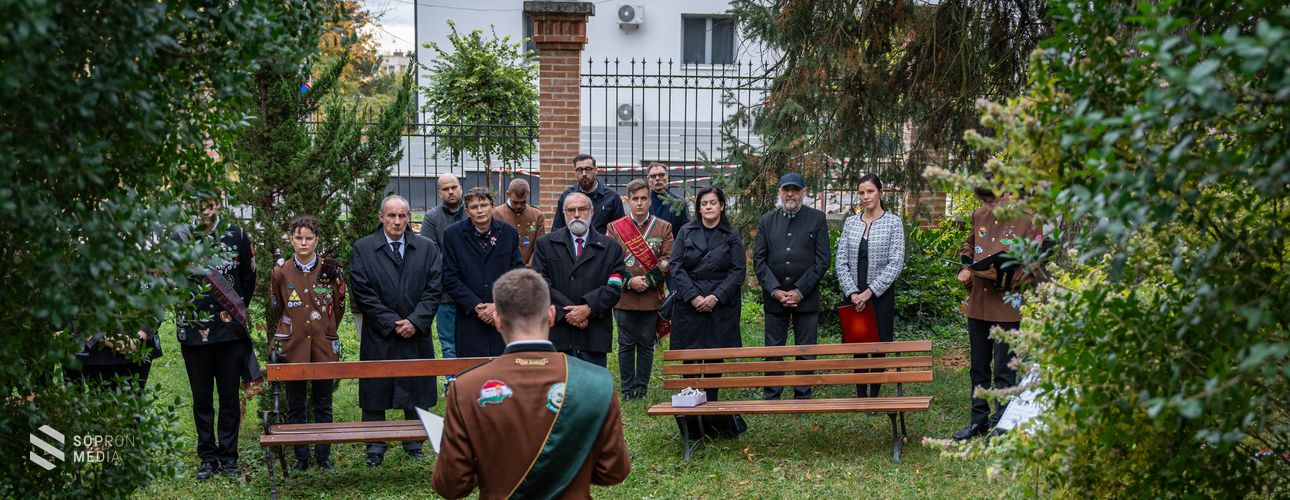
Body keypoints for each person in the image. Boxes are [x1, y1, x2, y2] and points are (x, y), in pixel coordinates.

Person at [431, 268, 631, 498]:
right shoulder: (596, 382)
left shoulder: (466, 388)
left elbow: (452, 484)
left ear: (497, 320)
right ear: (551, 315)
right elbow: (613, 471)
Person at [348, 194, 443, 466]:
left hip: (417, 332)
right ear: (381, 218)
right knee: (376, 388)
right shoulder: (364, 249)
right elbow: (362, 291)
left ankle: (414, 442)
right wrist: (391, 322)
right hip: (380, 334)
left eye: (402, 215)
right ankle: (375, 446)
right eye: (391, 215)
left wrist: (415, 321)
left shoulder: (426, 248)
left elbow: (434, 289)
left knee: (416, 385)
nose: (397, 221)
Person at [174, 197, 256, 480]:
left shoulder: (237, 235)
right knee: (202, 399)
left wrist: (232, 312)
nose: (203, 210)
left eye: (208, 203)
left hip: (229, 331)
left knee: (229, 397)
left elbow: (247, 279)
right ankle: (207, 457)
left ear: (218, 205)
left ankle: (229, 456)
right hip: (194, 330)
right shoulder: (180, 237)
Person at [952, 184, 1040, 441]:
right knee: (978, 366)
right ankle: (978, 420)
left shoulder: (1029, 220)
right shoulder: (979, 215)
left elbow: (1031, 267)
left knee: (1004, 370)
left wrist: (1000, 276)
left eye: (993, 198)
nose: (989, 205)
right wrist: (967, 267)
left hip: (1007, 307)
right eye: (985, 199)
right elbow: (968, 246)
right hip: (978, 304)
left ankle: (1001, 424)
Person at [266, 215, 347, 472]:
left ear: (316, 240)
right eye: (298, 238)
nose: (303, 242)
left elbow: (339, 305)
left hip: (323, 344)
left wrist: (327, 328)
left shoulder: (330, 270)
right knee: (297, 402)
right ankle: (301, 456)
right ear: (291, 239)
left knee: (323, 402)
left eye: (308, 238)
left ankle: (323, 455)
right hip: (294, 347)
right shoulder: (281, 271)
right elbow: (277, 309)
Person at [753, 173, 831, 400]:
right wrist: (775, 290)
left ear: (803, 192)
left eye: (795, 190)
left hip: (805, 298)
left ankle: (803, 395)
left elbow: (822, 260)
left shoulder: (816, 219)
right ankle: (772, 395)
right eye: (786, 189)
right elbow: (759, 260)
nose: (790, 194)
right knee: (774, 350)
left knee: (805, 350)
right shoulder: (767, 220)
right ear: (779, 192)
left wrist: (799, 291)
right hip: (774, 298)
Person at [530, 192, 626, 368]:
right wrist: (567, 313)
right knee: (559, 390)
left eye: (582, 209)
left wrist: (588, 308)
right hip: (557, 332)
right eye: (570, 210)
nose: (576, 214)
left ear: (591, 212)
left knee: (592, 390)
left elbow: (614, 287)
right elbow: (539, 284)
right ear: (564, 213)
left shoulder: (611, 248)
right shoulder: (545, 245)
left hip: (593, 333)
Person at [669, 186, 745, 403]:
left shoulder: (731, 235)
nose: (709, 207)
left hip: (720, 305)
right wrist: (693, 296)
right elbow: (676, 265)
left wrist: (715, 297)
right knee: (690, 354)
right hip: (689, 303)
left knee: (714, 355)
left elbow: (738, 270)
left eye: (713, 202)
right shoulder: (686, 231)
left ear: (721, 206)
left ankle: (711, 400)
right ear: (699, 209)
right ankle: (690, 400)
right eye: (704, 203)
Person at [835, 174, 905, 399]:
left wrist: (869, 292)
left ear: (880, 193)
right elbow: (841, 260)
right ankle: (860, 394)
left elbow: (896, 262)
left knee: (878, 345)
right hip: (854, 294)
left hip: (879, 295)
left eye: (870, 191)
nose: (866, 197)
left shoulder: (893, 222)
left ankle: (874, 394)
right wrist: (853, 292)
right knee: (858, 344)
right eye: (862, 193)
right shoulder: (851, 223)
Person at [606, 179, 674, 400]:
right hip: (624, 296)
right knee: (625, 343)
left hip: (650, 295)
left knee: (645, 343)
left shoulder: (663, 227)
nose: (639, 203)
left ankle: (641, 388)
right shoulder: (614, 228)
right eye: (635, 199)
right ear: (628, 201)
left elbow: (667, 260)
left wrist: (648, 280)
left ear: (649, 200)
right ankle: (627, 390)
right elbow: (610, 261)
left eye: (644, 198)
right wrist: (629, 281)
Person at [441, 187, 524, 358]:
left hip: (502, 316)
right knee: (472, 369)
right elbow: (449, 276)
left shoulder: (509, 234)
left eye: (484, 205)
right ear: (467, 211)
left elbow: (517, 274)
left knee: (503, 368)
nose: (480, 211)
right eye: (474, 207)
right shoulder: (452, 234)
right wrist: (476, 306)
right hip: (470, 316)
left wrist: (497, 305)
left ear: (493, 206)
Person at [421, 173, 464, 360]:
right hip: (445, 293)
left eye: (454, 187)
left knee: (472, 341)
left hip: (473, 292)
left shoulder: (471, 212)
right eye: (446, 189)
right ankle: (452, 385)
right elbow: (431, 254)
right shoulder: (432, 218)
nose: (451, 192)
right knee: (448, 343)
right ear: (440, 193)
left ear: (460, 188)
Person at [551, 154, 625, 235]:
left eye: (588, 169)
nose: (584, 174)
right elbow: (557, 230)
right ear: (575, 172)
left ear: (596, 170)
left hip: (602, 246)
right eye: (579, 170)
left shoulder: (612, 197)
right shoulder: (566, 196)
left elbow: (621, 231)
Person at [492, 178, 546, 266]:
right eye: (515, 202)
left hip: (530, 270)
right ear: (507, 194)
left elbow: (539, 247)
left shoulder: (537, 215)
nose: (519, 206)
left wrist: (528, 267)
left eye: (523, 202)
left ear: (528, 195)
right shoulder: (496, 214)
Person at [646, 162, 689, 237]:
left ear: (667, 177)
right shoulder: (643, 202)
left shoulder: (679, 203)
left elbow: (685, 231)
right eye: (653, 176)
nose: (657, 178)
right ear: (648, 181)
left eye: (661, 175)